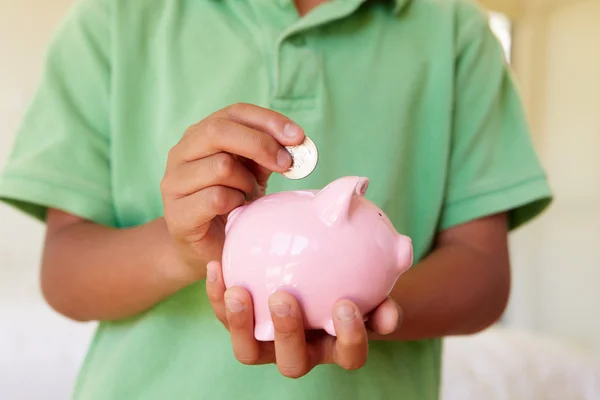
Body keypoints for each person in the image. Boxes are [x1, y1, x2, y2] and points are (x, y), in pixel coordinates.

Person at [0, 0, 552, 398]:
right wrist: (182, 252)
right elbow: (65, 270)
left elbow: (483, 272)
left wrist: (359, 306)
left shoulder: (454, 30)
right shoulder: (111, 21)